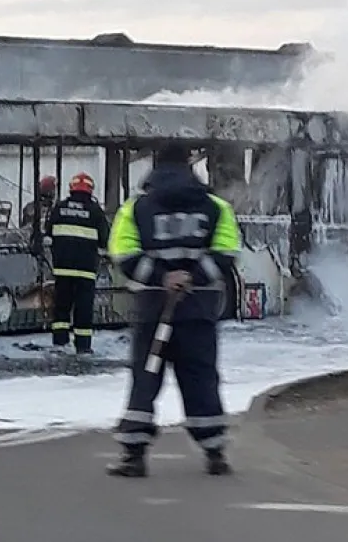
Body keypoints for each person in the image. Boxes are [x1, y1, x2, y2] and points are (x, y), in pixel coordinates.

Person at [105, 143, 241, 477]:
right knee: (200, 377)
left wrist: (162, 277)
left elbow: (123, 254)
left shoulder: (136, 208)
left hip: (153, 311)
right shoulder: (216, 207)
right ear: (190, 165)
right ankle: (215, 453)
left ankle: (133, 456)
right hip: (198, 311)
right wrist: (191, 277)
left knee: (146, 377)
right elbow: (227, 252)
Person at [44, 172, 110, 354]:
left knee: (62, 306)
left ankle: (60, 342)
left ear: (71, 189)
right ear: (90, 190)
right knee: (83, 308)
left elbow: (48, 233)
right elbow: (105, 240)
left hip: (62, 268)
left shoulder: (59, 208)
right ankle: (83, 346)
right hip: (85, 270)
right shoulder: (96, 211)